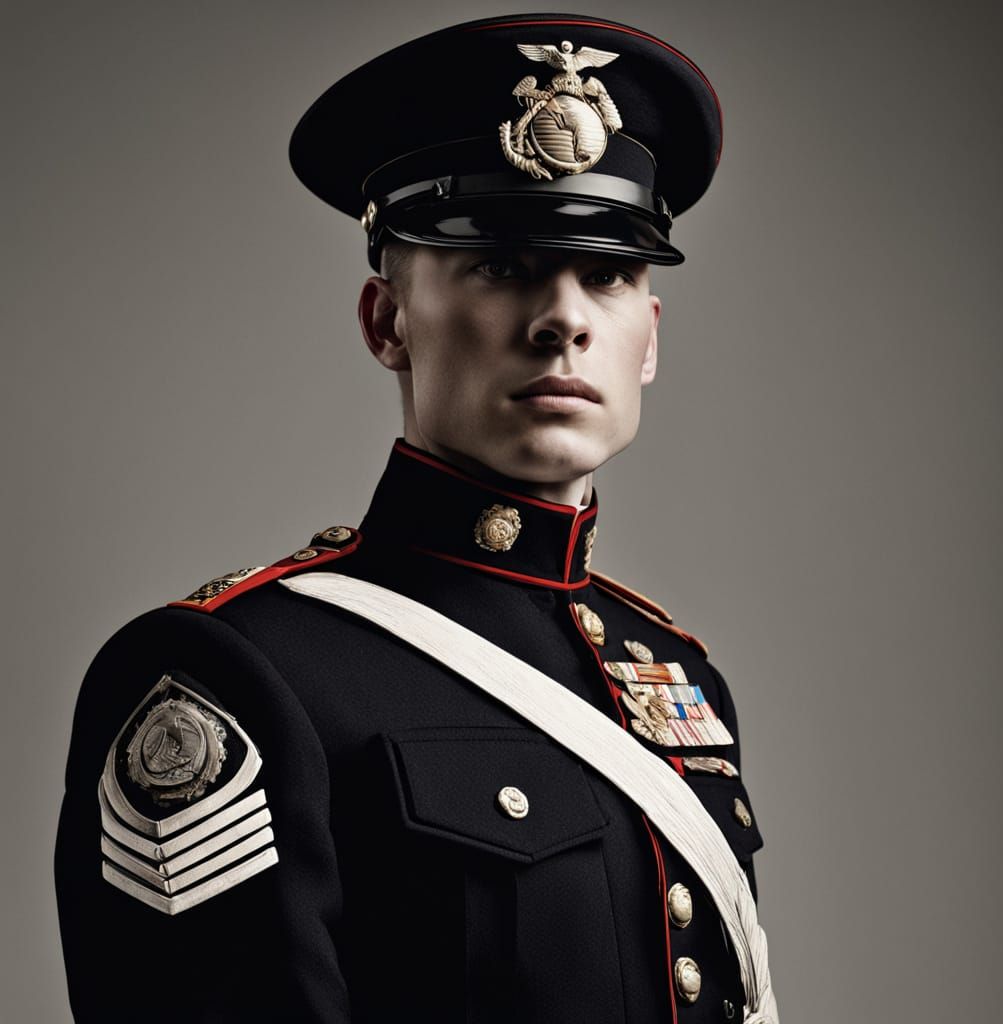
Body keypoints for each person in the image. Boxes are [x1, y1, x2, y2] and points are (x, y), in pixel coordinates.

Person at [55, 13, 776, 1023]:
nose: (563, 319)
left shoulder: (675, 674)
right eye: (502, 265)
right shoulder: (236, 675)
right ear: (387, 321)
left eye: (607, 273)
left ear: (647, 341)